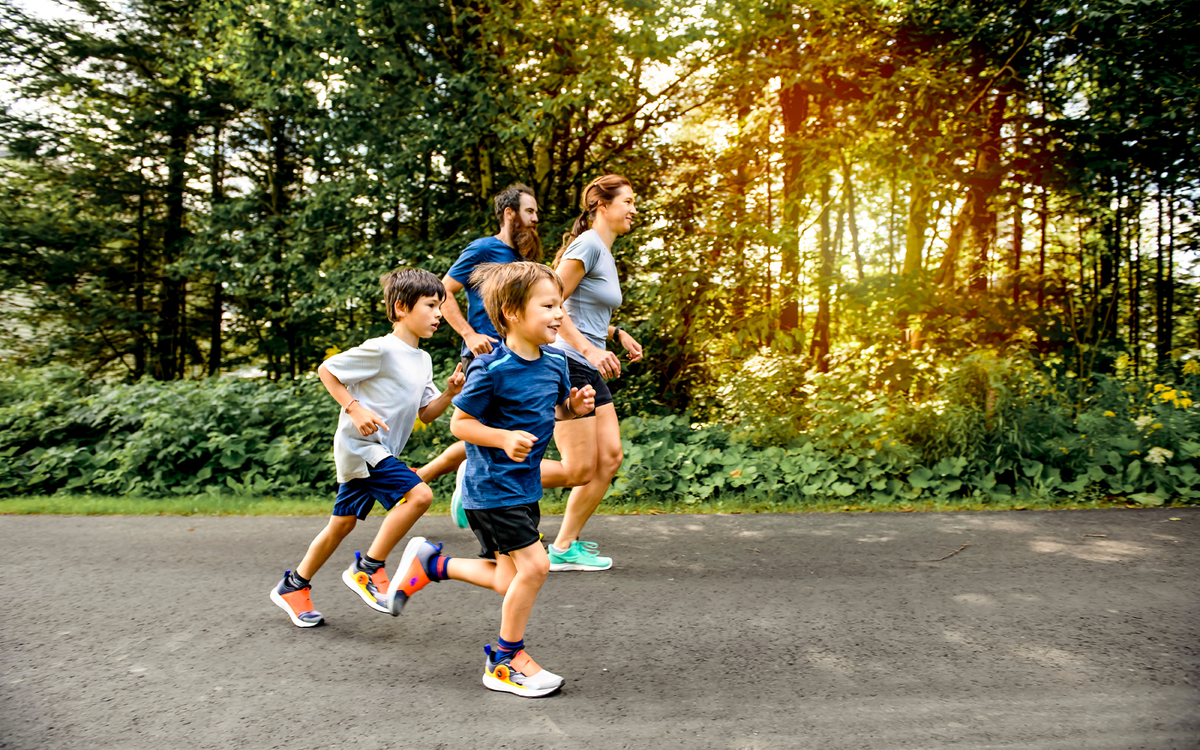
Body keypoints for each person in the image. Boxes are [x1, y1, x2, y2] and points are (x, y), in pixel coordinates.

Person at [383, 261, 595, 697]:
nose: (559, 314)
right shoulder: (491, 368)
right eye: (549, 305)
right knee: (536, 567)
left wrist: (573, 408)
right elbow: (460, 425)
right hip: (492, 489)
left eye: (561, 305)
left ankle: (432, 564)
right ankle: (505, 659)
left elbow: (552, 411)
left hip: (524, 488)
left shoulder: (555, 364)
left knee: (506, 578)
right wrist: (501, 438)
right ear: (514, 313)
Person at [269, 268, 466, 628]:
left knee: (340, 525)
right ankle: (368, 568)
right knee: (420, 495)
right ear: (403, 307)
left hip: (376, 450)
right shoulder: (381, 349)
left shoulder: (422, 360)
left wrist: (450, 393)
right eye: (431, 306)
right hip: (361, 446)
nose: (439, 314)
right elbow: (327, 370)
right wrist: (354, 407)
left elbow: (426, 413)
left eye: (440, 307)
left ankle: (293, 586)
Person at [418, 184, 578, 526]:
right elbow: (442, 290)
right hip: (488, 354)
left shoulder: (521, 262)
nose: (536, 219)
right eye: (529, 211)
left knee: (508, 427)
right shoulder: (483, 248)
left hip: (522, 355)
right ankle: (462, 488)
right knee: (482, 425)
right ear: (509, 213)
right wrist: (469, 333)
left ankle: (471, 491)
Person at [546, 175, 644, 572]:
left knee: (610, 459)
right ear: (603, 206)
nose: (634, 209)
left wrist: (614, 333)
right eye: (629, 201)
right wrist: (588, 347)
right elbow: (551, 303)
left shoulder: (602, 250)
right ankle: (481, 478)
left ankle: (564, 546)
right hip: (569, 361)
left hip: (587, 361)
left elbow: (584, 313)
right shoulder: (587, 244)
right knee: (578, 467)